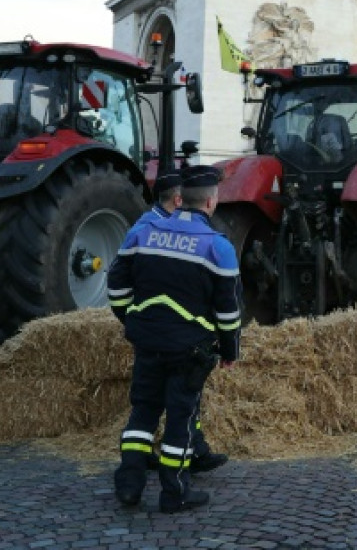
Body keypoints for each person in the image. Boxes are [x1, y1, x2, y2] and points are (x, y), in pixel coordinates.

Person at [107, 164, 242, 514]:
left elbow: (117, 288)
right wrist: (230, 351)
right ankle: (174, 493)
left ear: (182, 199)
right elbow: (228, 312)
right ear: (211, 202)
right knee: (180, 420)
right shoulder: (218, 247)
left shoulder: (143, 232)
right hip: (189, 349)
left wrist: (135, 321)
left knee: (143, 413)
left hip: (147, 343)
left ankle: (129, 486)